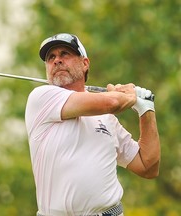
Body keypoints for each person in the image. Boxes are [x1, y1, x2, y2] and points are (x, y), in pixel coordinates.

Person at [25, 33, 160, 216]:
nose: (57, 60)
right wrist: (130, 95)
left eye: (65, 54)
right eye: (51, 57)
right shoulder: (41, 98)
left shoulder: (107, 120)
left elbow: (148, 166)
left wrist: (146, 109)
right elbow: (111, 103)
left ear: (85, 63)